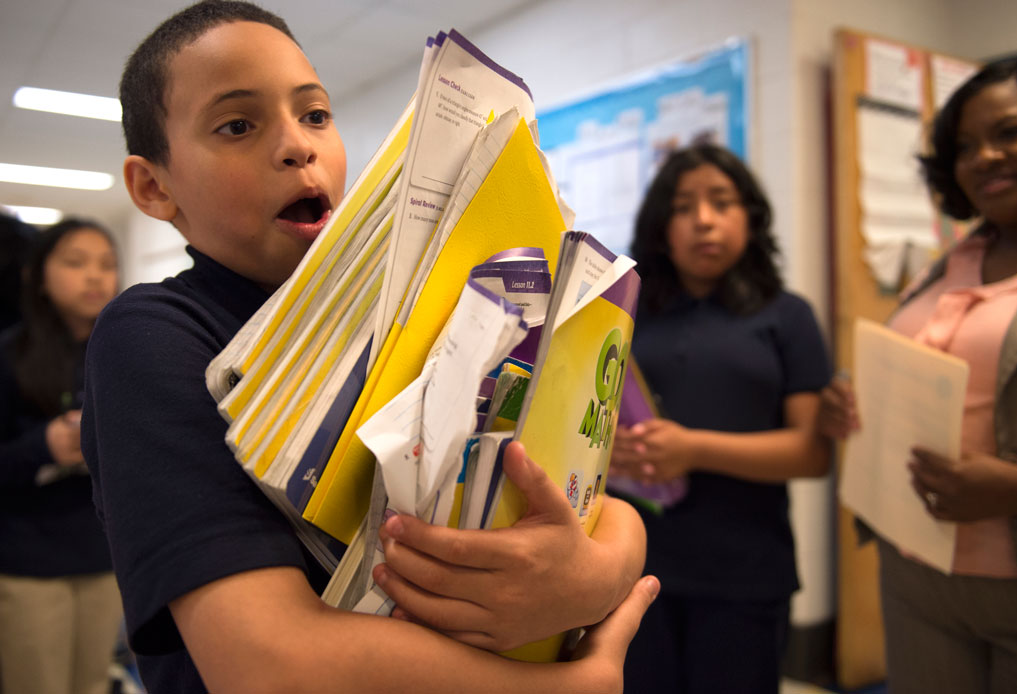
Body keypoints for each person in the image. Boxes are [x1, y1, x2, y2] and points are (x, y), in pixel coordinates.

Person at [80, 3, 655, 693]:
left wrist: (601, 573)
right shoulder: (153, 336)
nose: (299, 146)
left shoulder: (422, 301)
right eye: (238, 125)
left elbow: (595, 496)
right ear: (154, 186)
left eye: (315, 114)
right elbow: (266, 663)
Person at [819, 57, 1017, 694]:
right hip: (915, 570)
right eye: (965, 146)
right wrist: (856, 406)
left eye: (1011, 133)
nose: (985, 158)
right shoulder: (953, 261)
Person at [610, 143, 832, 694]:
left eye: (721, 202)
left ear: (751, 219)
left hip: (745, 571)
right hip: (633, 564)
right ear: (662, 227)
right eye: (683, 207)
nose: (703, 220)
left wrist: (694, 449)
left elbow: (812, 452)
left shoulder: (788, 315)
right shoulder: (627, 314)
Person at [0, 218, 122, 694]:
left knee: (93, 682)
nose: (95, 276)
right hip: (28, 563)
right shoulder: (11, 355)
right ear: (39, 275)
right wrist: (42, 447)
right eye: (76, 262)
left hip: (103, 554)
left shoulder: (122, 350)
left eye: (107, 265)